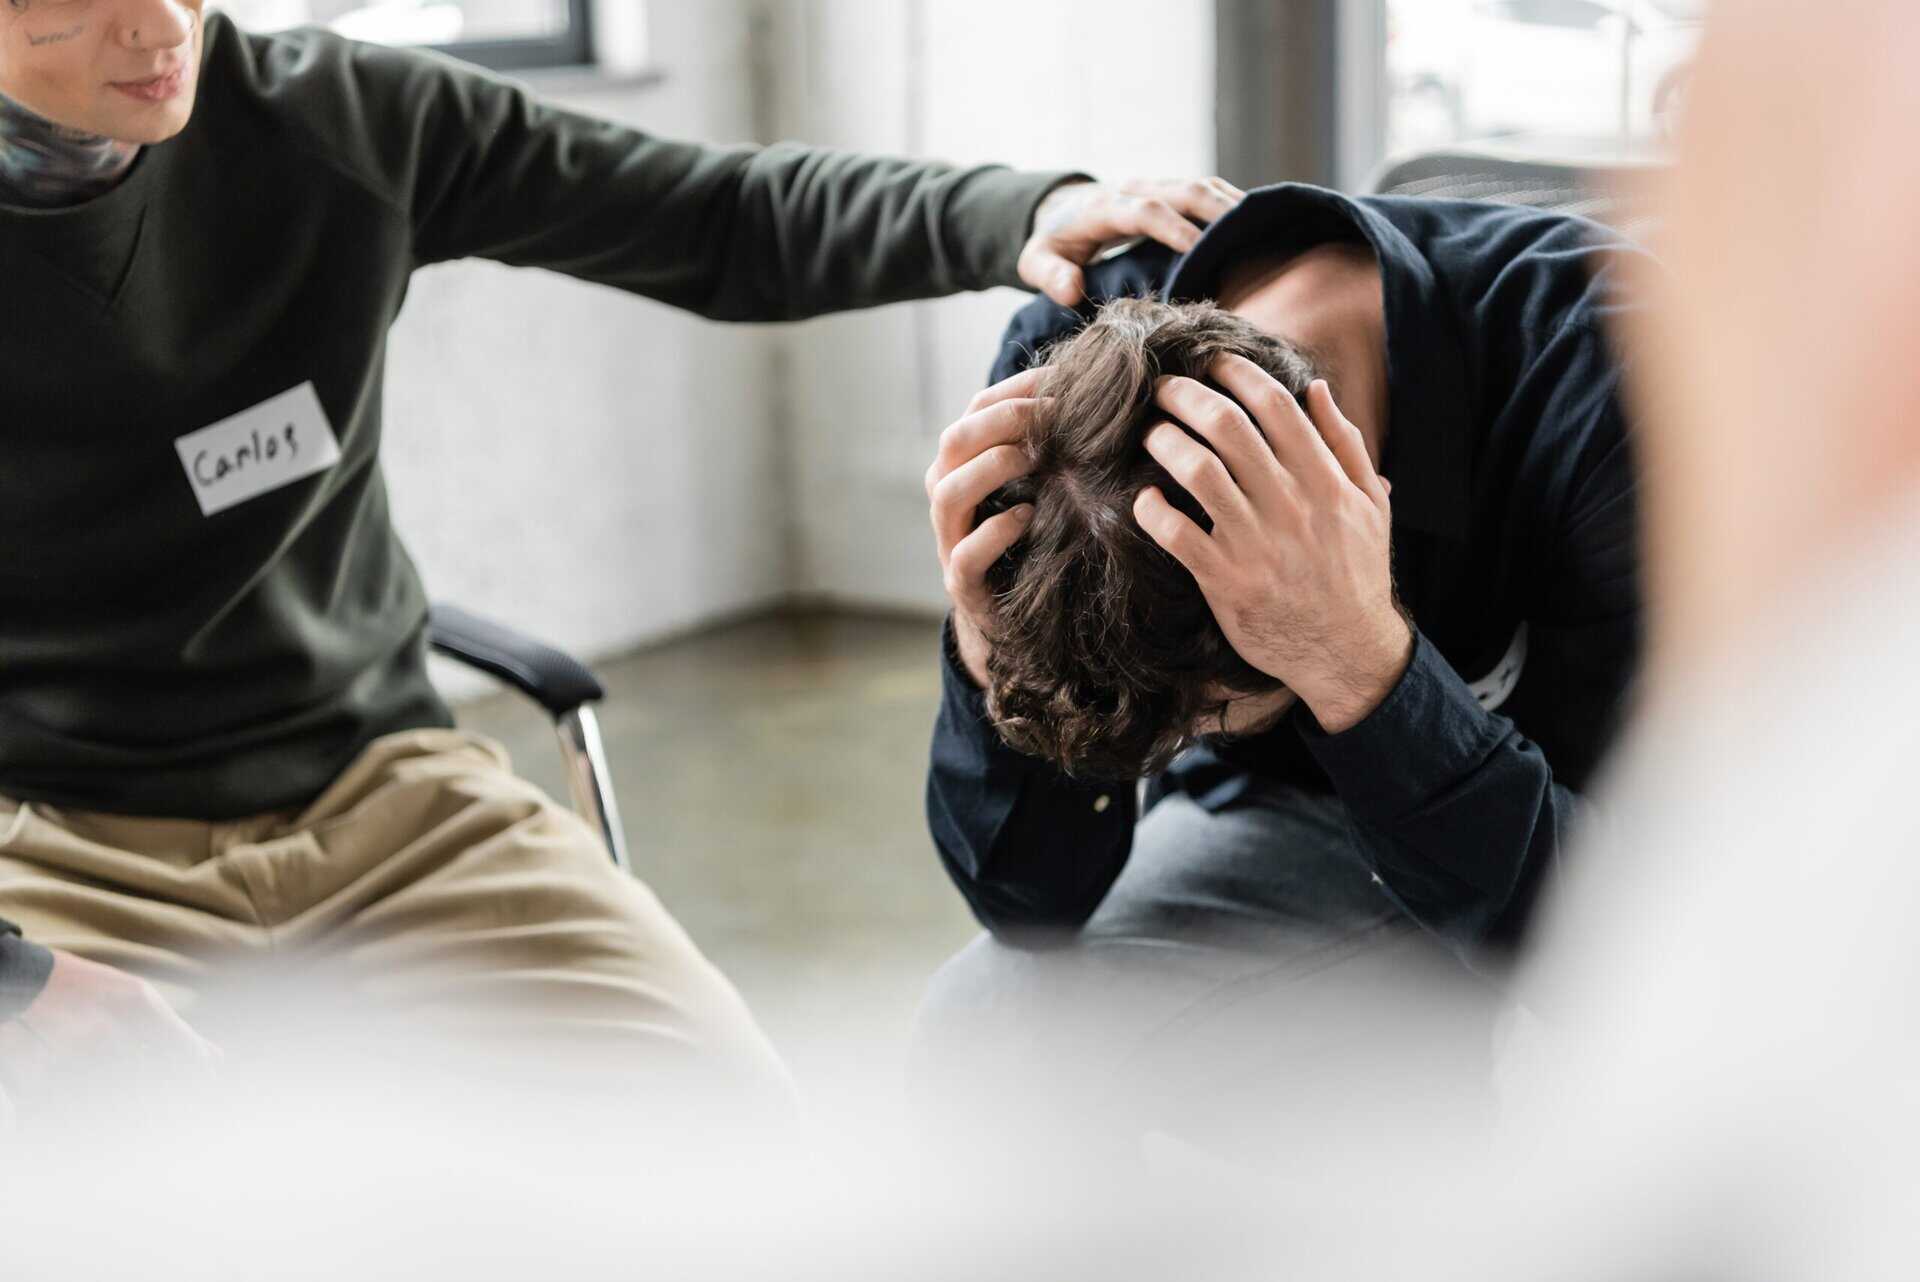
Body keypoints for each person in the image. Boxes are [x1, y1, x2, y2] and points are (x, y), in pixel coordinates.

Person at [0, 0, 1241, 1113]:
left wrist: (1024, 213)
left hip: (385, 790)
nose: (160, 27)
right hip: (55, 839)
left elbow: (719, 214)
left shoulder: (332, 119)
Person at [915, 179, 1650, 1128]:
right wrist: (992, 649)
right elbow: (1030, 903)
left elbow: (1662, 940)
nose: (1193, 745)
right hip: (1307, 822)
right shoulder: (1053, 382)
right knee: (988, 1025)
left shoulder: (1616, 387)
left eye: (1214, 721)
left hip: (1603, 840)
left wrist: (1357, 662)